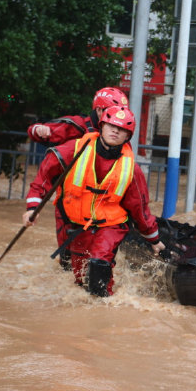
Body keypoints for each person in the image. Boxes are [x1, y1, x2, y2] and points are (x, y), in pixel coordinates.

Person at [23, 106, 165, 297]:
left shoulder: (132, 170)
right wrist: (33, 208)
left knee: (99, 265)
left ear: (127, 136)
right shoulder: (72, 150)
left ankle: (105, 310)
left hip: (111, 225)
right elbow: (44, 177)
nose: (115, 131)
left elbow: (140, 208)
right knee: (80, 280)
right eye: (111, 125)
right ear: (101, 126)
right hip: (78, 225)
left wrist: (153, 239)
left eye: (122, 129)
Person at [27, 86, 130, 270]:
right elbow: (37, 133)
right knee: (68, 258)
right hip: (70, 201)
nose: (116, 123)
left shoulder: (119, 135)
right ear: (98, 111)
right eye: (109, 113)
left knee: (100, 258)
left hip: (101, 207)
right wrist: (40, 129)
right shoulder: (75, 126)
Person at [27, 87, 129, 146]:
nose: (116, 118)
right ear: (98, 110)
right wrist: (39, 129)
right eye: (111, 112)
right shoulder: (77, 125)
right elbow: (35, 131)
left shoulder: (122, 136)